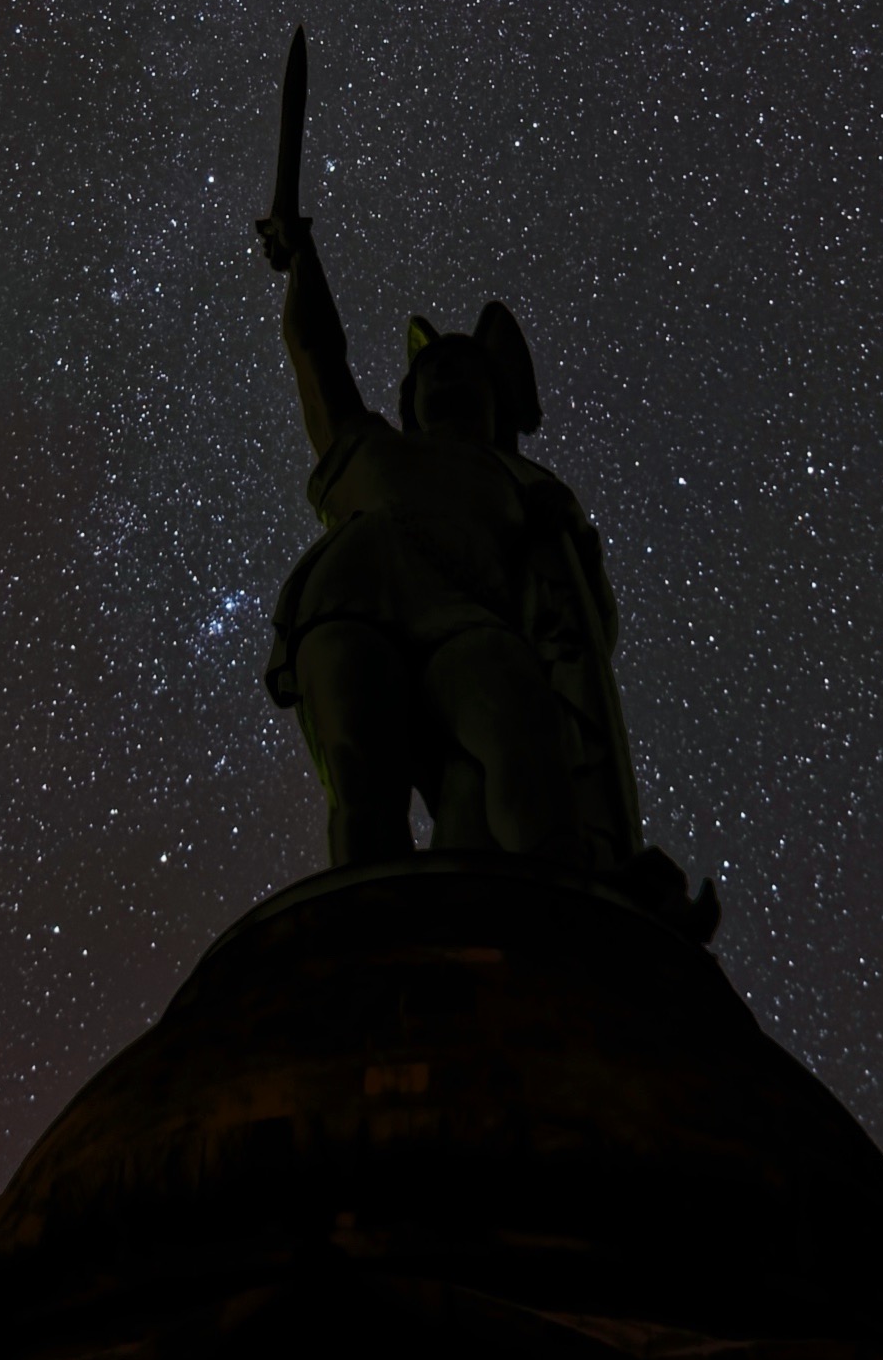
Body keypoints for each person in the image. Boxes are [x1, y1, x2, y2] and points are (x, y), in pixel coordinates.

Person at [256, 209, 641, 877]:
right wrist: (303, 259)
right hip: (352, 595)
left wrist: (570, 545)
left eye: (466, 370)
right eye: (432, 371)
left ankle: (562, 923)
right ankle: (377, 946)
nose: (447, 379)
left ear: (500, 400)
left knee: (522, 732)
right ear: (410, 397)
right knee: (361, 782)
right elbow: (318, 352)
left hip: (469, 620)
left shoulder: (527, 485)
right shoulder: (369, 446)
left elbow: (583, 625)